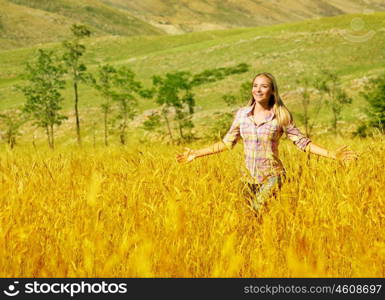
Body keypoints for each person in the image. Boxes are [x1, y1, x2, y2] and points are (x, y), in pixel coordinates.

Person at [176, 72, 358, 213]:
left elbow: (302, 142)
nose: (258, 90)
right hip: (247, 179)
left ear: (272, 91)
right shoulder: (242, 115)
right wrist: (196, 154)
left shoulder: (281, 115)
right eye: (255, 86)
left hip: (272, 176)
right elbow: (226, 143)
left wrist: (332, 155)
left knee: (256, 209)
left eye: (263, 86)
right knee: (248, 217)